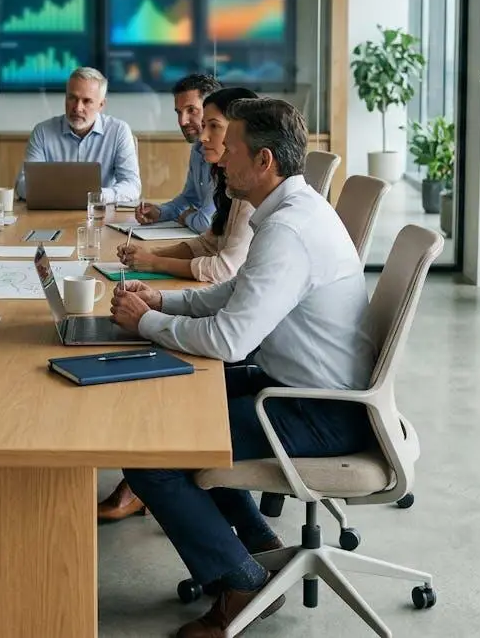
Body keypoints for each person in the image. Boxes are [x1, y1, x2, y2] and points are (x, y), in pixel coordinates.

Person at [108, 98, 377, 638]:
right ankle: (255, 545)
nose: (219, 159)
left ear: (264, 162)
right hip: (294, 384)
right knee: (166, 398)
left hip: (319, 409)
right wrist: (163, 306)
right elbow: (232, 294)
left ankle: (240, 585)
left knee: (152, 450)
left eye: (229, 149)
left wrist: (145, 326)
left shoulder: (287, 232)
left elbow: (231, 339)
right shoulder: (287, 212)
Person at [96, 86, 260, 523]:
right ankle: (258, 551)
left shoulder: (269, 212)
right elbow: (213, 247)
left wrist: (150, 317)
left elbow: (225, 279)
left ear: (253, 149)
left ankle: (243, 577)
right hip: (266, 356)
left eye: (213, 127)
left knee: (160, 434)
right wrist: (160, 295)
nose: (202, 136)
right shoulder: (242, 192)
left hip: (277, 377)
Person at [117, 86, 258, 285]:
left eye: (214, 126)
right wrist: (150, 254)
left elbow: (224, 269)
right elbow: (208, 243)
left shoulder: (252, 193)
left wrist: (155, 262)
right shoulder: (230, 181)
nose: (202, 137)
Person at [14, 66, 141, 204]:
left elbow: (132, 185)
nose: (77, 108)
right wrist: (66, 194)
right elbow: (23, 184)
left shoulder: (118, 131)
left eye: (87, 101)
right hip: (52, 215)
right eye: (72, 98)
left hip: (101, 214)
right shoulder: (42, 132)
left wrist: (96, 196)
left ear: (101, 105)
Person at [134, 73, 221, 233]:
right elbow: (190, 198)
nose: (182, 121)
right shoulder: (198, 148)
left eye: (191, 110)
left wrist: (185, 217)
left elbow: (206, 223)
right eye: (179, 112)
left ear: (211, 110)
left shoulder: (224, 154)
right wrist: (160, 212)